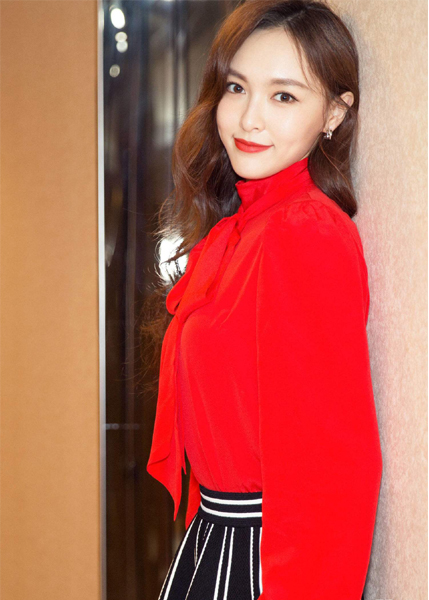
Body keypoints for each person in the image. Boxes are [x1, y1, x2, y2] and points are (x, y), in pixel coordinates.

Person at [145, 1, 383, 599]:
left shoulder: (303, 231)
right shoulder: (245, 228)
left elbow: (329, 466)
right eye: (236, 87)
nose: (249, 118)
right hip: (216, 542)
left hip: (266, 561)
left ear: (334, 114)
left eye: (284, 96)